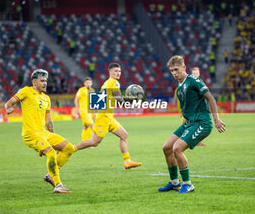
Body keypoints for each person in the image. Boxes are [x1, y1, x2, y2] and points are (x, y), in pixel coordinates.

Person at [158, 56, 225, 194]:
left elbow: (210, 97)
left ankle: (188, 184)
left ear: (184, 68)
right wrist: (183, 125)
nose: (174, 73)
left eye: (176, 69)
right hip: (189, 122)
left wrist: (216, 118)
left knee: (177, 148)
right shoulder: (180, 88)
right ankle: (175, 183)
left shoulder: (194, 81)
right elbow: (185, 109)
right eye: (172, 71)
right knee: (167, 147)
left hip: (202, 122)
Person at [4, 69, 77, 193]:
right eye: (42, 81)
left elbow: (48, 120)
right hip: (30, 133)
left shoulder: (46, 98)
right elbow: (9, 103)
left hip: (43, 133)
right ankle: (58, 185)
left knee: (69, 148)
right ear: (34, 82)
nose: (45, 83)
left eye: (46, 81)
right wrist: (8, 108)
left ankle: (50, 175)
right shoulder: (26, 91)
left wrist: (53, 136)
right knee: (51, 153)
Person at [75, 63, 142, 169]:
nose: (118, 73)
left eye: (119, 71)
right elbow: (118, 97)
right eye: (116, 71)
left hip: (108, 116)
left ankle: (127, 161)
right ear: (110, 72)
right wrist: (127, 104)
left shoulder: (106, 83)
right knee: (94, 142)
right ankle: (70, 148)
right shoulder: (114, 83)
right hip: (104, 117)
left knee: (124, 135)